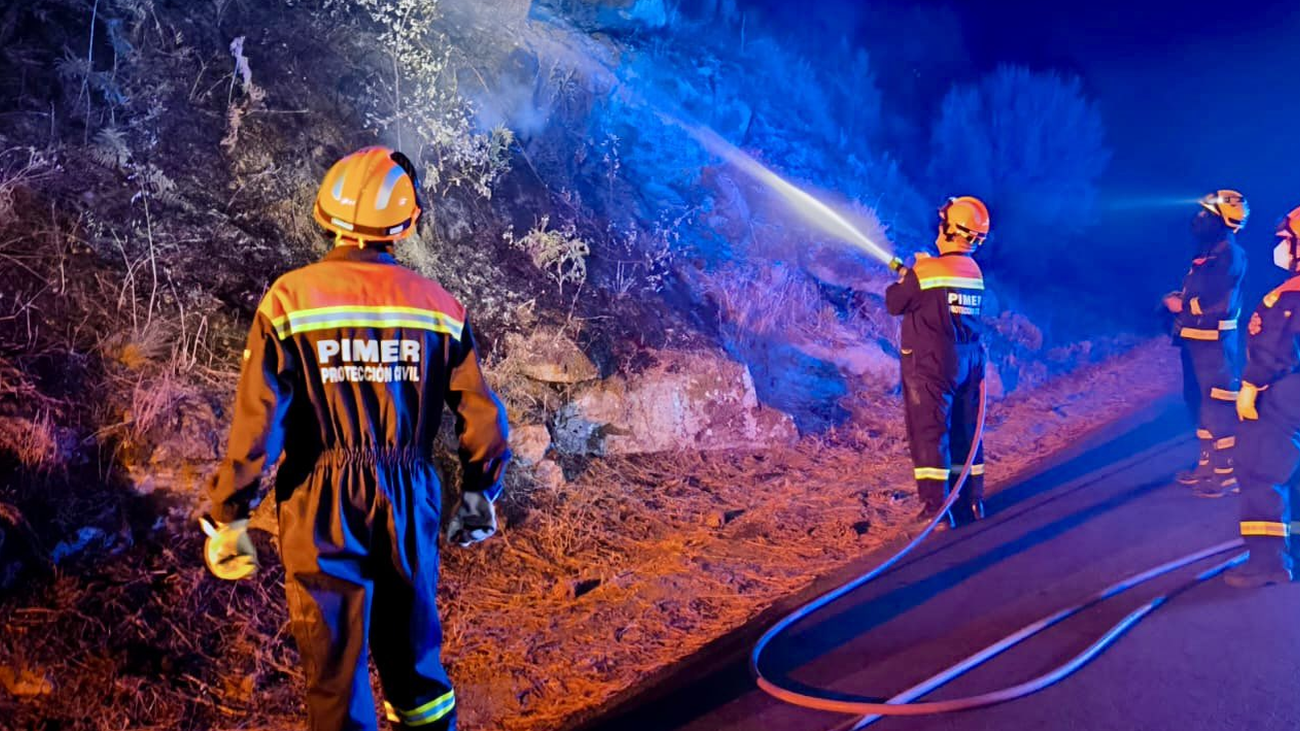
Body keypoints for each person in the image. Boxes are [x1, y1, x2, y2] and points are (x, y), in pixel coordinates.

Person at [200, 146, 511, 730]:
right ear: (406, 222)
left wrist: (229, 513)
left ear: (326, 214)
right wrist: (477, 494)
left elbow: (257, 419)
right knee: (415, 659)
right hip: (407, 493)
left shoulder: (289, 301)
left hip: (319, 500)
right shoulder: (440, 308)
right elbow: (482, 416)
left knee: (334, 674)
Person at [886, 196, 990, 528]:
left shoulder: (926, 270)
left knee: (930, 432)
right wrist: (917, 272)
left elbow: (894, 302)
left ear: (948, 228)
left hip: (932, 363)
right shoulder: (973, 270)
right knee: (966, 431)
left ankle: (936, 509)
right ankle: (971, 503)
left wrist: (909, 274)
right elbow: (939, 295)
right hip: (969, 361)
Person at [1225, 205, 1300, 588]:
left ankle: (1268, 561)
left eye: (1288, 240)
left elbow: (1272, 349)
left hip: (1287, 391)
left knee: (1259, 467)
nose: (1281, 247)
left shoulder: (1289, 297)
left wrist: (1251, 387)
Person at [1163, 190, 1248, 498]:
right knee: (1199, 401)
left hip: (1214, 341)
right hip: (1196, 340)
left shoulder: (1229, 253)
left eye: (1206, 214)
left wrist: (1182, 306)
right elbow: (1201, 291)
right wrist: (1179, 300)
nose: (1199, 219)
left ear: (1223, 220)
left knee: (1218, 402)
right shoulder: (1210, 250)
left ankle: (1227, 473)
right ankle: (1206, 464)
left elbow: (1220, 302)